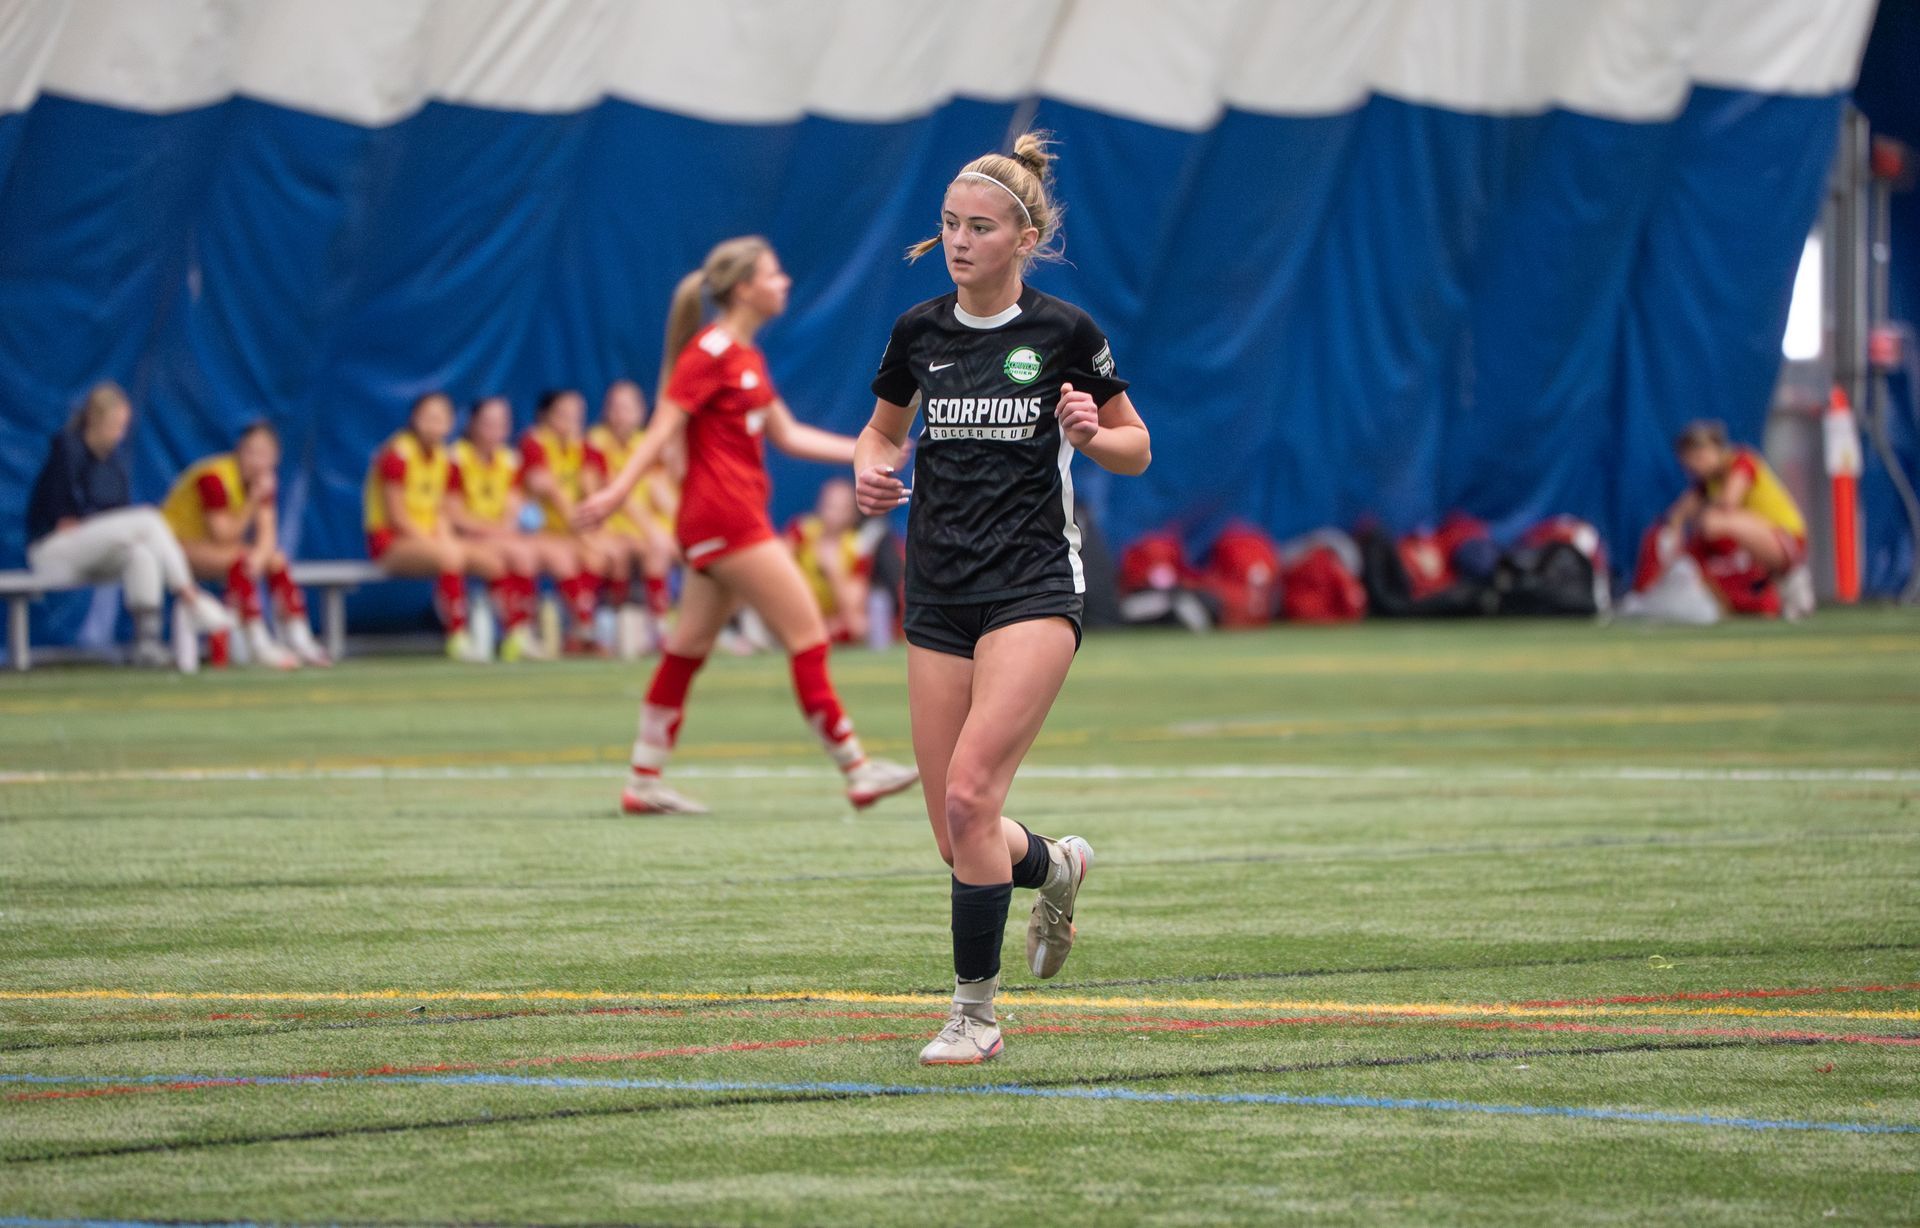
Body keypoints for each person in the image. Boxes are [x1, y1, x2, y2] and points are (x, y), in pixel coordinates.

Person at [854, 132, 1151, 1065]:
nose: (959, 240)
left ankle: (974, 1015)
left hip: (1032, 588)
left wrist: (1091, 434)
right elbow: (879, 432)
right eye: (949, 223)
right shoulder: (918, 332)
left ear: (1025, 239)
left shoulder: (1065, 333)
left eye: (979, 227)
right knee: (959, 835)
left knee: (972, 794)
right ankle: (1055, 866)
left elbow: (1137, 447)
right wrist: (871, 470)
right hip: (938, 594)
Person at [575, 235, 919, 816]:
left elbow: (788, 435)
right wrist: (616, 492)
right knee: (808, 636)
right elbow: (661, 429)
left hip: (722, 521)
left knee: (686, 648)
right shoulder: (709, 352)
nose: (784, 282)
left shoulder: (745, 357)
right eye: (773, 274)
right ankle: (858, 770)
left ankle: (643, 780)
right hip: (726, 519)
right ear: (743, 289)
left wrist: (867, 452)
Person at [25, 381, 232, 668]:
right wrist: (96, 525)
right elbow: (63, 519)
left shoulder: (113, 463)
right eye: (114, 426)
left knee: (141, 553)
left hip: (94, 553)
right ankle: (190, 596)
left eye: (123, 427)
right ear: (94, 420)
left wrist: (108, 528)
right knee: (148, 519)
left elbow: (114, 518)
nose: (119, 434)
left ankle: (146, 643)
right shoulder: (67, 450)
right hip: (52, 552)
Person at [161, 420, 328, 668]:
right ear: (239, 450)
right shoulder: (214, 478)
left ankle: (299, 638)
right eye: (251, 452)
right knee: (241, 559)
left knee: (275, 561)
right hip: (172, 547)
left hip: (214, 549)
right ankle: (257, 642)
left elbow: (267, 537)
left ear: (276, 458)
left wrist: (259, 560)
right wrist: (252, 501)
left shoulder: (261, 482)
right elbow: (222, 535)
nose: (257, 461)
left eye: (264, 454)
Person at [364, 391, 496, 661]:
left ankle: (506, 629)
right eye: (429, 417)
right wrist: (439, 544)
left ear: (451, 423)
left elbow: (444, 512)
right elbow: (397, 517)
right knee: (450, 556)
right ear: (415, 418)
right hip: (391, 542)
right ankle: (457, 636)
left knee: (492, 561)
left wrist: (447, 539)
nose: (435, 424)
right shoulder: (397, 454)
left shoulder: (445, 458)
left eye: (441, 418)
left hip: (430, 540)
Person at [1638, 419, 1810, 618]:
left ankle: (1791, 575)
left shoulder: (1741, 461)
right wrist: (1673, 529)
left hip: (1787, 539)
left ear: (1717, 449)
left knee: (1714, 522)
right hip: (1761, 543)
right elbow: (1678, 514)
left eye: (1699, 457)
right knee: (1703, 532)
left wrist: (1698, 514)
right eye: (1689, 463)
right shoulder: (1709, 482)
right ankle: (1763, 588)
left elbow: (1729, 502)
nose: (1695, 466)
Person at [446, 396, 557, 662]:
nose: (495, 430)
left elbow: (514, 508)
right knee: (506, 557)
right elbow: (455, 514)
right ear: (472, 424)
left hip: (496, 536)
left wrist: (506, 531)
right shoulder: (456, 458)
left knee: (526, 553)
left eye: (502, 423)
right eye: (488, 423)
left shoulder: (510, 460)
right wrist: (494, 532)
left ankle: (522, 632)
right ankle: (505, 631)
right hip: (464, 537)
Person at [522, 389, 618, 654]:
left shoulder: (584, 446)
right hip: (541, 531)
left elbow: (592, 492)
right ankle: (579, 629)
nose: (570, 421)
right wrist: (586, 537)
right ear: (546, 416)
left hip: (572, 531)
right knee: (565, 559)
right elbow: (550, 492)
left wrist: (595, 534)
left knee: (600, 557)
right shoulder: (534, 443)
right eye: (563, 414)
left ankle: (584, 630)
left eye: (577, 415)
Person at [586, 380, 678, 655]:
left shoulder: (647, 443)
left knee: (663, 549)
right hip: (610, 526)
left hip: (642, 528)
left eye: (627, 408)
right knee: (621, 554)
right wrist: (651, 531)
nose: (620, 414)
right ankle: (608, 632)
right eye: (614, 407)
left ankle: (659, 628)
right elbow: (608, 492)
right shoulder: (595, 442)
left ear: (639, 411)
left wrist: (682, 526)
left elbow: (660, 490)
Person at [786, 477, 874, 644]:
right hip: (797, 610)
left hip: (832, 616)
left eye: (842, 508)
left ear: (853, 514)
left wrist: (833, 572)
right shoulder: (802, 531)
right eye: (829, 505)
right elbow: (775, 571)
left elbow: (853, 606)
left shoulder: (857, 547)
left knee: (858, 625)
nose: (833, 513)